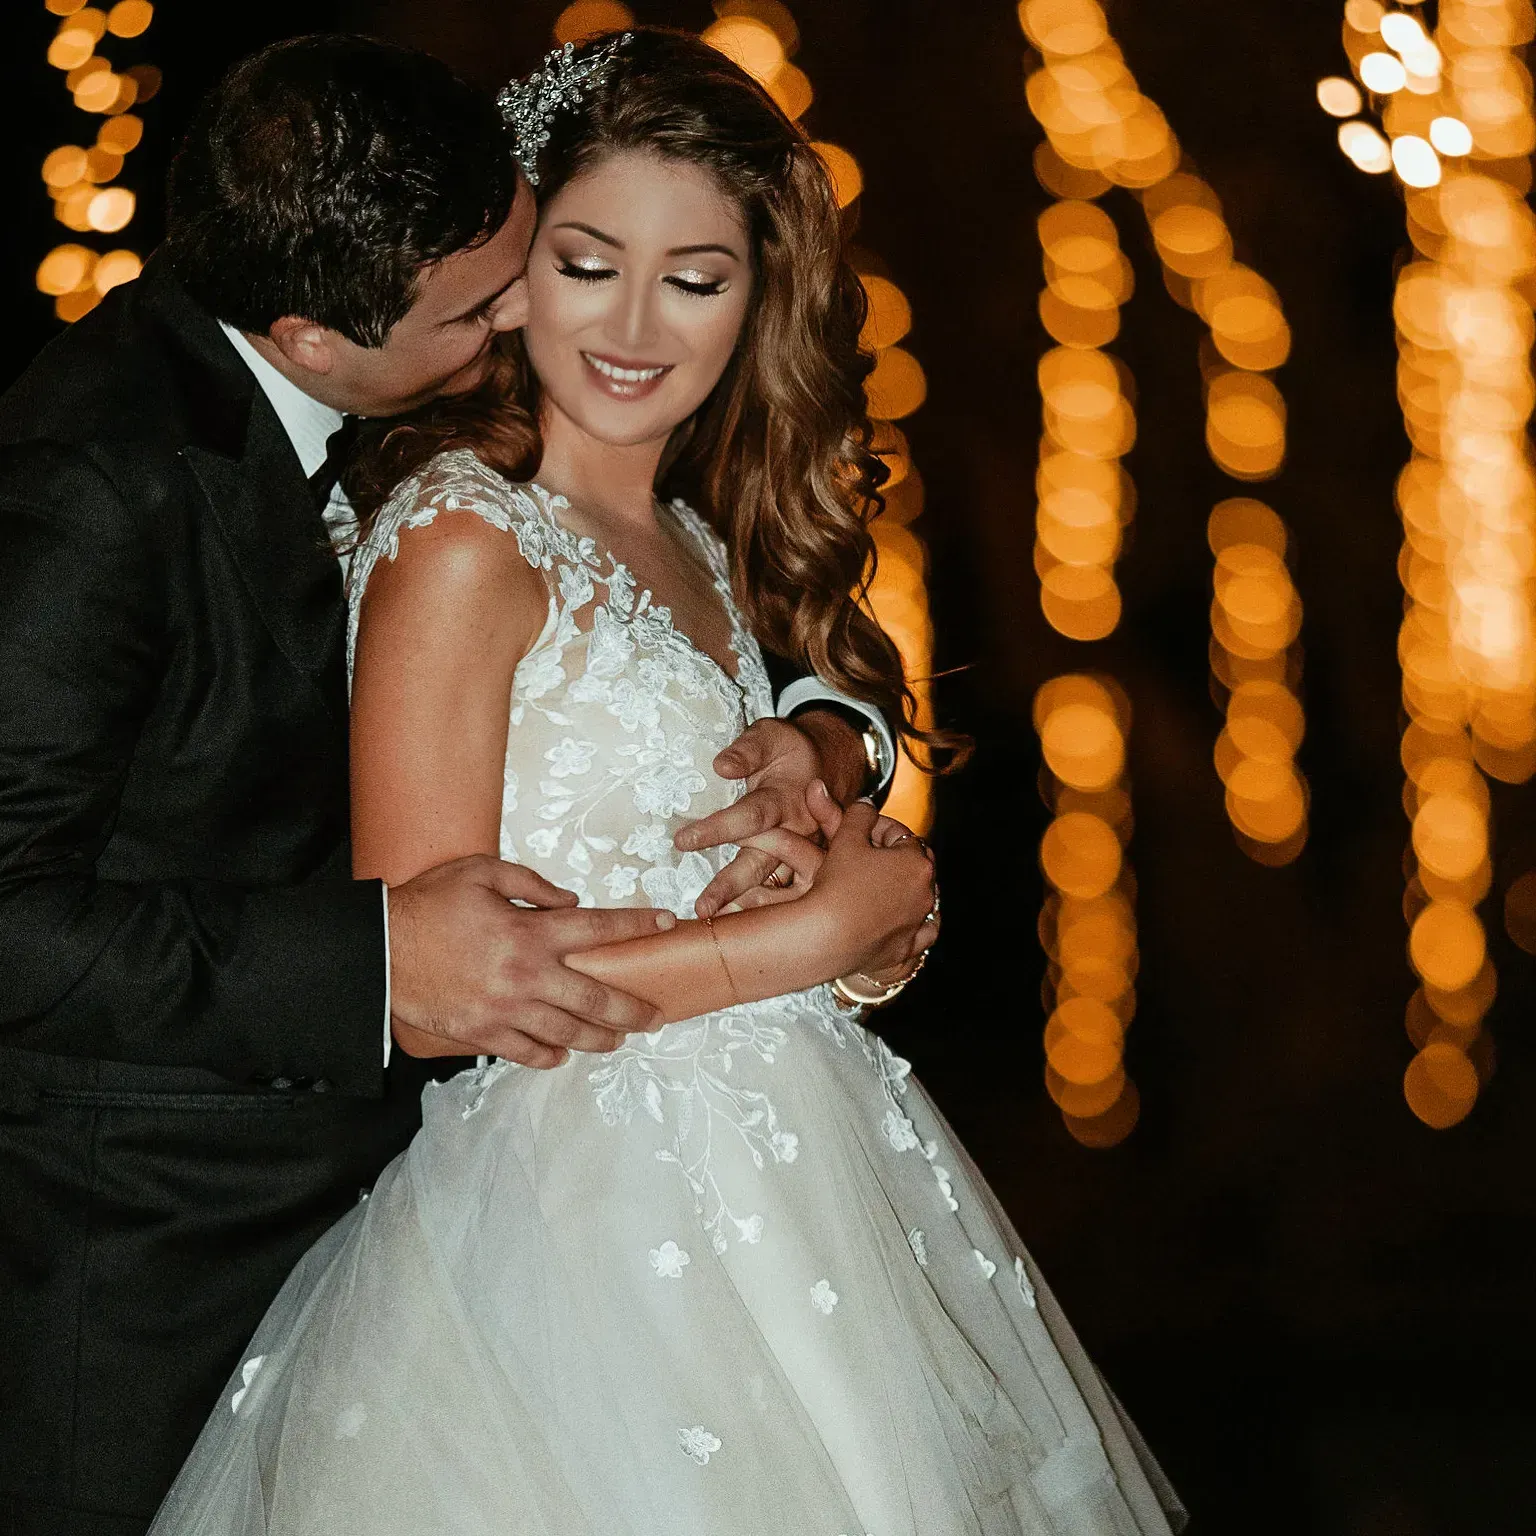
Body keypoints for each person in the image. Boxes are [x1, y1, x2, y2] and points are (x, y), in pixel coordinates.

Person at [150, 28, 1186, 1536]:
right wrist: (808, 941)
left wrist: (848, 892)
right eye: (587, 263)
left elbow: (714, 842)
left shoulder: (696, 544)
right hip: (577, 1238)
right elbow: (436, 987)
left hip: (798, 1193)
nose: (636, 323)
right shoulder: (458, 541)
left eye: (695, 278)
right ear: (513, 274)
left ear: (760, 299)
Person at [0, 34, 904, 1536]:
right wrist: (802, 940)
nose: (525, 322)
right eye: (527, 281)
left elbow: (744, 663)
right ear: (309, 334)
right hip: (154, 1241)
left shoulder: (473, 441)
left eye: (694, 276)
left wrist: (833, 743)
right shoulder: (106, 481)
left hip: (664, 1200)